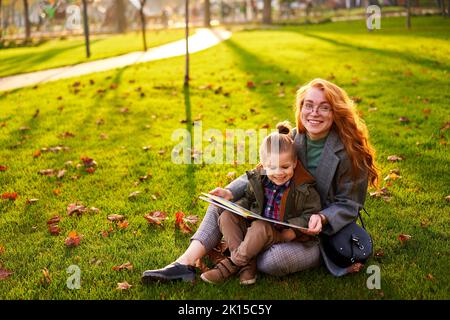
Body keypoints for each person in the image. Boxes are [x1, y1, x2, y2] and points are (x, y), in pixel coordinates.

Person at [141, 78, 379, 284]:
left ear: (335, 112)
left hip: (313, 233)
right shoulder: (293, 138)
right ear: (300, 108)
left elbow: (350, 204)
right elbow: (260, 172)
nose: (314, 113)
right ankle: (184, 264)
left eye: (324, 107)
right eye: (309, 105)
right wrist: (228, 192)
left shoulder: (349, 152)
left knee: (271, 262)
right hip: (274, 218)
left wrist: (323, 217)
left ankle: (245, 257)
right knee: (220, 203)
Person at [200, 122, 322, 285]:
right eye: (272, 167)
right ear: (263, 166)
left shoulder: (304, 188)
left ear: (294, 163)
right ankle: (247, 267)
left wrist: (292, 232)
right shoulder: (259, 180)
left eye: (285, 167)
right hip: (254, 228)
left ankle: (230, 265)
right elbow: (249, 200)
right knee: (226, 217)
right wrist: (238, 208)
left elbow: (311, 214)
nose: (279, 173)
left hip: (278, 233)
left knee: (260, 227)